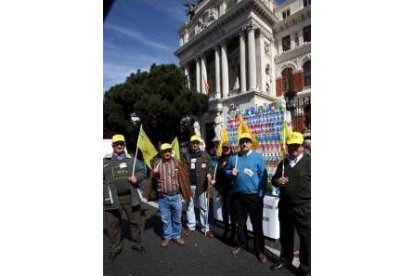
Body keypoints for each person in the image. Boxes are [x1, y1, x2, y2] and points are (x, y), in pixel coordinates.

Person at [271, 132, 311, 276]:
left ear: (302, 146)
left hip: (304, 207)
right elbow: (273, 180)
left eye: (296, 145)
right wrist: (277, 181)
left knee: (306, 239)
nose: (293, 148)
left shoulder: (309, 162)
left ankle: (306, 268)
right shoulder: (283, 163)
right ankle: (285, 259)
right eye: (291, 145)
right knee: (286, 236)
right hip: (286, 206)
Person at [225, 133, 268, 263]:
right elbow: (226, 171)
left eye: (247, 141)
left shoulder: (257, 157)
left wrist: (261, 193)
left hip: (254, 196)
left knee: (257, 225)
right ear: (239, 143)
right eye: (242, 141)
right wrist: (230, 173)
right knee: (241, 223)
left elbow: (264, 176)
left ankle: (260, 250)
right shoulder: (234, 158)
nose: (244, 144)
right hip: (238, 196)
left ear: (251, 143)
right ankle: (242, 245)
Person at [103, 134, 147, 260]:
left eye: (121, 143)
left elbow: (142, 171)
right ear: (113, 145)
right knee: (112, 225)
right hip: (112, 198)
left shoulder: (131, 160)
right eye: (116, 144)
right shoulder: (105, 161)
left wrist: (136, 178)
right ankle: (115, 247)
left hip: (130, 197)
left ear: (124, 145)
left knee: (135, 222)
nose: (119, 146)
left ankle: (136, 244)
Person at [146, 143, 192, 247]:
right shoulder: (156, 164)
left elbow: (184, 178)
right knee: (165, 219)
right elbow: (152, 181)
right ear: (161, 153)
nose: (167, 153)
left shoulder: (177, 163)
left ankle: (176, 236)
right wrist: (154, 174)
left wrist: (186, 193)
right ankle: (167, 236)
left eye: (169, 151)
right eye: (165, 151)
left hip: (176, 196)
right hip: (163, 198)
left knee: (177, 219)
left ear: (171, 151)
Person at [182, 135, 215, 238]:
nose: (195, 145)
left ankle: (205, 227)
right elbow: (182, 169)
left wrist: (210, 173)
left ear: (199, 144)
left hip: (202, 185)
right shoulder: (185, 155)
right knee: (189, 206)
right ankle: (191, 226)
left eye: (197, 143)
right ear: (190, 144)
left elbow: (210, 167)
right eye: (193, 143)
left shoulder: (205, 155)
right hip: (189, 185)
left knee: (203, 207)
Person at [215, 141, 236, 241]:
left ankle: (232, 232)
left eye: (227, 148)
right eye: (224, 148)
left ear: (231, 148)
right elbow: (218, 173)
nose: (226, 149)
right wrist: (216, 184)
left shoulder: (234, 159)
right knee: (224, 211)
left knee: (231, 211)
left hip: (231, 189)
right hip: (222, 188)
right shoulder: (220, 158)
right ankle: (226, 229)